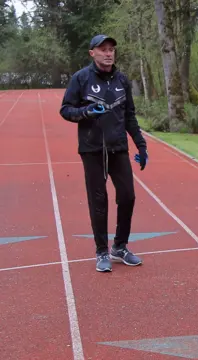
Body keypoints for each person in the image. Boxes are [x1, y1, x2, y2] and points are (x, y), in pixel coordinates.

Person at [60, 34, 148, 273]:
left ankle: (119, 247)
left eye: (111, 49)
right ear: (92, 53)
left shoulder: (122, 80)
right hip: (92, 149)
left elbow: (129, 116)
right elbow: (66, 110)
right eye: (103, 50)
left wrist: (141, 145)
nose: (108, 53)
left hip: (118, 147)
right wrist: (87, 111)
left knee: (128, 196)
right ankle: (101, 251)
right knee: (99, 201)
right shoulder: (81, 79)